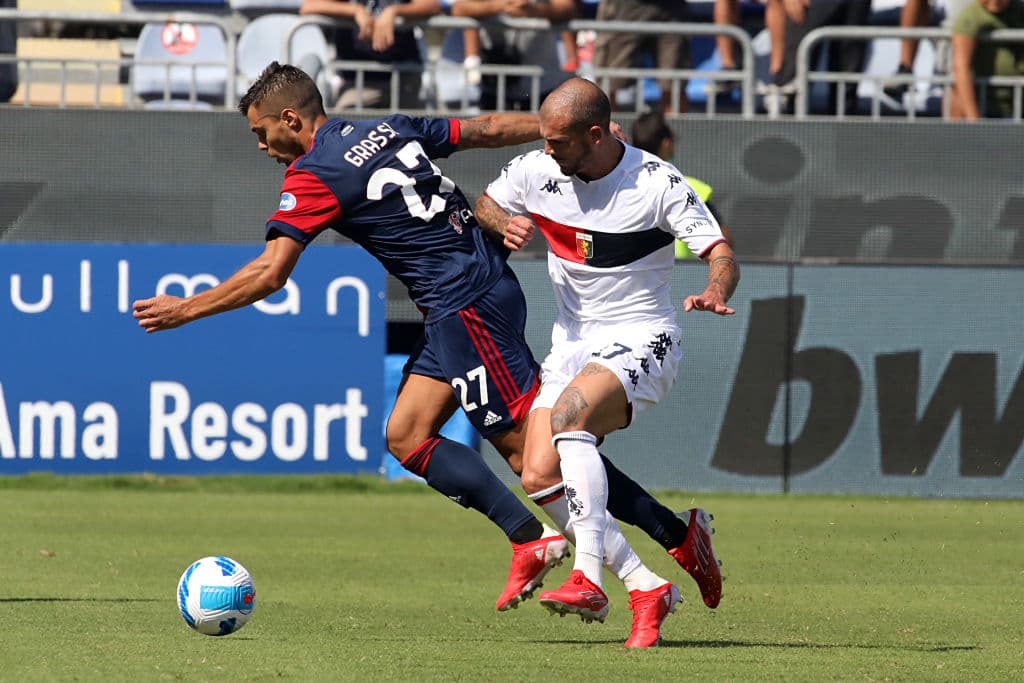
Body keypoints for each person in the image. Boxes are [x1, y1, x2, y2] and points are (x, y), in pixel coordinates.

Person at [132, 63, 720, 633]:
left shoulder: (313, 174)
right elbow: (486, 130)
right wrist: (545, 132)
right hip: (465, 297)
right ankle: (540, 536)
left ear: (290, 119)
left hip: (467, 306)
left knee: (536, 460)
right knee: (407, 435)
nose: (261, 146)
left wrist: (187, 309)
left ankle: (648, 564)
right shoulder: (384, 126)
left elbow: (270, 272)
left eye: (261, 133)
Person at [475, 77, 738, 640]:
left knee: (570, 418)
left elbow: (720, 253)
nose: (547, 151)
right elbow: (487, 203)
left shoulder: (655, 182)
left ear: (595, 135)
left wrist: (717, 290)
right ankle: (647, 586)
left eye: (558, 142)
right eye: (544, 139)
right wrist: (504, 222)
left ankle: (588, 578)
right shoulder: (539, 170)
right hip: (570, 342)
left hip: (643, 335)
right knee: (538, 471)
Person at [630, 111, 734, 259]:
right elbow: (724, 243)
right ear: (666, 143)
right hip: (683, 276)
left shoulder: (620, 186)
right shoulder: (689, 186)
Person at [300, 0, 436, 109]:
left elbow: (432, 5)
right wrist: (355, 10)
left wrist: (394, 11)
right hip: (356, 82)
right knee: (349, 132)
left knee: (407, 134)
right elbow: (309, 6)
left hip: (404, 78)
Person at [451, 0, 578, 110]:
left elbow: (568, 8)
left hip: (542, 84)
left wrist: (534, 9)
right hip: (495, 86)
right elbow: (459, 8)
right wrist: (500, 5)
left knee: (540, 135)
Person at [591, 0, 692, 113]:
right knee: (608, 83)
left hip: (671, 9)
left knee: (674, 85)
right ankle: (607, 129)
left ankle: (675, 129)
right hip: (623, 7)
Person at [949, 0, 1024, 119]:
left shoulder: (1019, 11)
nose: (994, 1)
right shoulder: (971, 16)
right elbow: (961, 68)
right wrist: (975, 122)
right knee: (955, 95)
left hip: (1017, 103)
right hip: (986, 106)